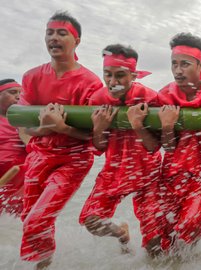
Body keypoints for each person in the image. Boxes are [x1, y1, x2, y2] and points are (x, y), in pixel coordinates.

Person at [18, 11, 103, 268]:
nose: (54, 38)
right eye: (50, 32)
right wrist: (44, 129)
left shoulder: (90, 83)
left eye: (61, 33)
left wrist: (62, 128)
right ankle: (41, 265)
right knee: (29, 220)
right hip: (39, 154)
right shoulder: (32, 76)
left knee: (37, 220)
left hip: (73, 158)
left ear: (76, 41)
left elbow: (93, 136)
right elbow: (25, 124)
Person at [78, 44, 163, 257]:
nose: (113, 82)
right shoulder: (97, 100)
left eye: (120, 75)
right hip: (114, 170)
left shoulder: (150, 98)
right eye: (107, 74)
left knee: (154, 245)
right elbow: (98, 147)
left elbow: (154, 147)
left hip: (148, 173)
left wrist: (137, 125)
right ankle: (123, 234)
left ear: (133, 75)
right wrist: (98, 128)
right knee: (92, 222)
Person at [157, 32, 201, 255]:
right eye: (174, 64)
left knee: (188, 227)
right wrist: (167, 127)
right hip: (170, 174)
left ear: (200, 65)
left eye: (185, 64)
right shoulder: (164, 96)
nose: (178, 70)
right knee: (164, 237)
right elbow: (167, 147)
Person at [0, 79, 27, 216]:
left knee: (15, 228)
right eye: (12, 92)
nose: (18, 96)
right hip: (2, 182)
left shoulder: (28, 122)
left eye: (21, 93)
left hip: (22, 185)